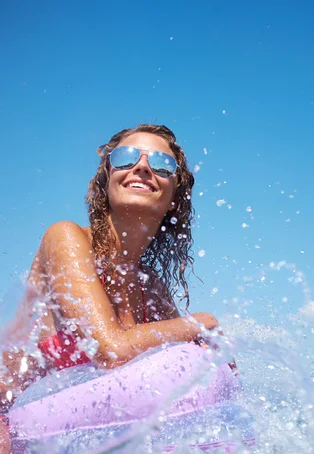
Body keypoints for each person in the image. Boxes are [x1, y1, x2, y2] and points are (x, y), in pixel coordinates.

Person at [0, 124, 223, 421]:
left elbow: (183, 365)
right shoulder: (65, 238)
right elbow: (111, 350)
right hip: (12, 422)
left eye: (162, 164)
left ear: (174, 198)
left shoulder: (152, 287)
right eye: (126, 158)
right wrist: (202, 322)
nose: (142, 167)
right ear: (107, 180)